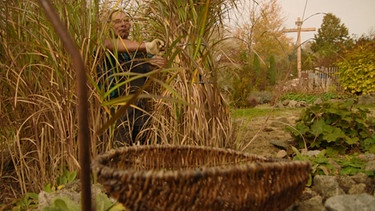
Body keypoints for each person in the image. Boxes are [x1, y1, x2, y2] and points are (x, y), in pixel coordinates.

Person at [97, 9, 167, 145]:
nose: (123, 24)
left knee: (149, 149)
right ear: (107, 26)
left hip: (141, 109)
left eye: (126, 20)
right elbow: (110, 44)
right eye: (117, 22)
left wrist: (159, 63)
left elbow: (159, 65)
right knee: (119, 151)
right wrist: (147, 46)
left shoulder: (139, 50)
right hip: (116, 110)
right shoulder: (104, 44)